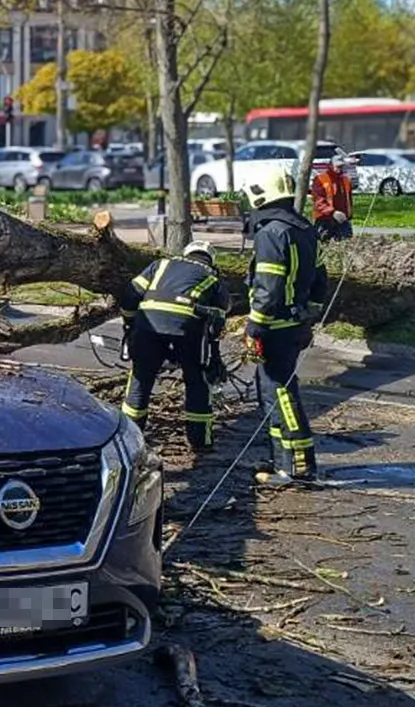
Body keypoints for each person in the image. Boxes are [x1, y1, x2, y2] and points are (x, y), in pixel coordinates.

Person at [244, 166, 326, 485]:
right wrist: (309, 317)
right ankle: (281, 458)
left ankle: (298, 467)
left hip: (274, 327)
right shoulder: (304, 228)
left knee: (280, 394)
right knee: (270, 393)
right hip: (293, 325)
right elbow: (321, 280)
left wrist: (254, 327)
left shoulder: (271, 232)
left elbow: (268, 285)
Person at [118, 239, 227, 452]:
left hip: (148, 327)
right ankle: (200, 442)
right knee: (197, 380)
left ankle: (129, 438)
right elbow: (221, 313)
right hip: (188, 331)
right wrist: (212, 349)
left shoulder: (161, 265)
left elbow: (131, 294)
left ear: (187, 253)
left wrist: (130, 324)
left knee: (141, 377)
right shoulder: (213, 276)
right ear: (210, 259)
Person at [308, 147, 354, 242]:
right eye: (337, 167)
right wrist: (333, 212)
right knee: (322, 245)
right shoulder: (320, 179)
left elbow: (349, 200)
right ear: (331, 166)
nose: (339, 169)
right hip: (324, 220)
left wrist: (348, 216)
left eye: (341, 167)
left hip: (342, 220)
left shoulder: (346, 180)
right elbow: (318, 201)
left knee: (345, 245)